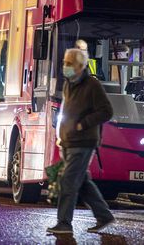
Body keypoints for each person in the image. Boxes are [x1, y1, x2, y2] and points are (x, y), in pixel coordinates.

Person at [47, 48, 115, 235]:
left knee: (68, 180)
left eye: (69, 63)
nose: (65, 67)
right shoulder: (69, 84)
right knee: (82, 182)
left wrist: (83, 124)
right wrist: (62, 137)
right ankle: (104, 215)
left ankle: (64, 223)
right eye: (64, 62)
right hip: (69, 142)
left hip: (84, 141)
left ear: (80, 66)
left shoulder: (92, 84)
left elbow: (106, 111)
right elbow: (67, 112)